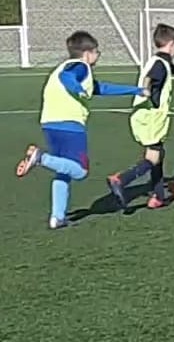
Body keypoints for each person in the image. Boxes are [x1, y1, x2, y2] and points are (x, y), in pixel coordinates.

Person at [14, 31, 145, 229]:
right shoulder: (79, 66)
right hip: (69, 124)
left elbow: (101, 88)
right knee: (81, 171)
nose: (98, 56)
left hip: (50, 124)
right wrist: (78, 89)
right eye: (97, 52)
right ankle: (41, 158)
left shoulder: (67, 67)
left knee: (63, 171)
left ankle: (57, 217)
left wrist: (136, 90)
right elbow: (67, 77)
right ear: (87, 53)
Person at [105, 24, 174, 210]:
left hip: (145, 114)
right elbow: (150, 78)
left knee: (158, 152)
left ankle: (157, 196)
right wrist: (146, 89)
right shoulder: (159, 65)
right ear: (172, 43)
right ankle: (121, 179)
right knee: (153, 157)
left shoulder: (161, 62)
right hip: (152, 116)